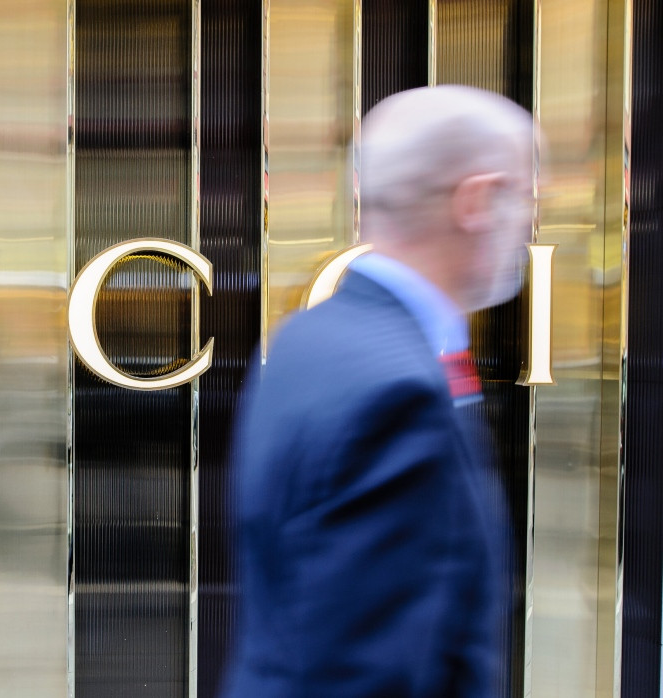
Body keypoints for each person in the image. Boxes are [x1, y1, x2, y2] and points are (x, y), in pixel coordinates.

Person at [221, 85, 535, 697]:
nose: (527, 225)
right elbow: (367, 675)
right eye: (523, 196)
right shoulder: (399, 396)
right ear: (476, 200)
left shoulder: (307, 338)